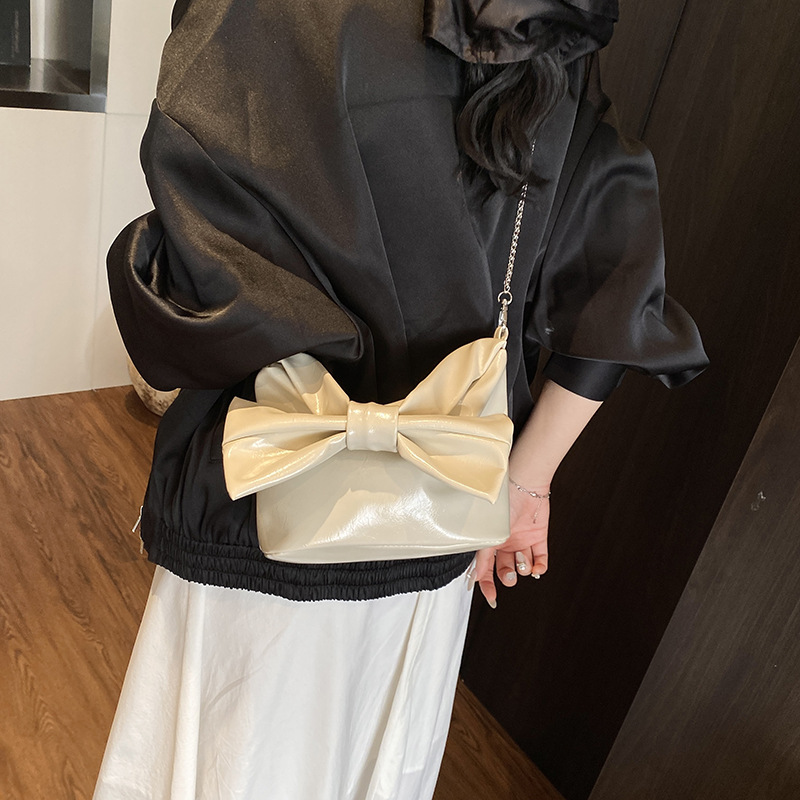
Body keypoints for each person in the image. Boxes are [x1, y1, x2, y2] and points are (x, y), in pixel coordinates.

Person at [93, 0, 708, 798]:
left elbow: (188, 283)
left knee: (222, 761)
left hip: (256, 500)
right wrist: (526, 482)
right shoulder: (542, 19)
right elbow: (617, 279)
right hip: (435, 513)